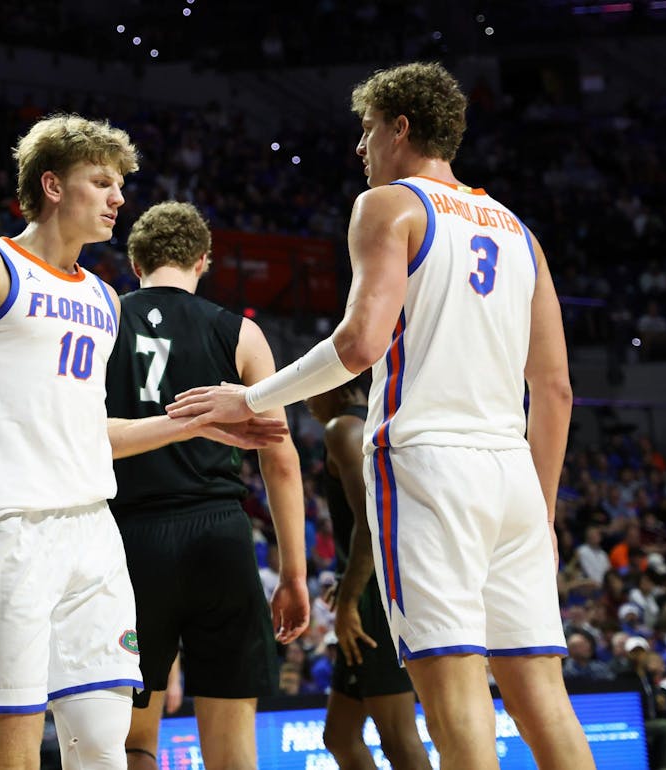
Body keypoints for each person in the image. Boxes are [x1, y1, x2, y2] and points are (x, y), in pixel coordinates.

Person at [167, 62, 596, 769]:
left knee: (455, 696)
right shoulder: (521, 232)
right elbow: (554, 390)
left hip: (430, 465)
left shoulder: (390, 206)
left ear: (400, 128)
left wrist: (252, 397)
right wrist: (542, 514)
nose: (360, 148)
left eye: (366, 131)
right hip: (514, 479)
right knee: (544, 699)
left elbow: (359, 345)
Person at [0, 114, 286, 770]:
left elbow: (93, 434)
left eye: (121, 185)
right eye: (103, 182)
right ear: (53, 186)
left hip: (96, 538)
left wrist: (197, 422)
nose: (119, 198)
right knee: (8, 759)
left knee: (106, 754)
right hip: (10, 532)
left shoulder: (104, 298)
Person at [103, 201, 310, 770]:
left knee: (131, 742)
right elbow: (281, 459)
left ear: (136, 260)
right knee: (232, 751)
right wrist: (294, 574)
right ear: (204, 260)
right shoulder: (239, 332)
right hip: (218, 538)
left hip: (127, 542)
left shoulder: (101, 323)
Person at [306, 378, 430, 770]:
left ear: (338, 386)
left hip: (376, 597)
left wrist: (349, 599)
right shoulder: (381, 421)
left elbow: (370, 524)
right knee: (340, 736)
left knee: (398, 738)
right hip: (374, 585)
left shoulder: (343, 428)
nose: (308, 400)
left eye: (313, 386)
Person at [614, 636, 666, 770]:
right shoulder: (625, 676)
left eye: (642, 652)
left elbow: (655, 700)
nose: (639, 656)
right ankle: (664, 766)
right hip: (636, 721)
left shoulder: (648, 677)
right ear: (628, 654)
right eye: (635, 652)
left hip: (652, 719)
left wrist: (658, 702)